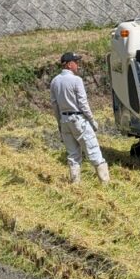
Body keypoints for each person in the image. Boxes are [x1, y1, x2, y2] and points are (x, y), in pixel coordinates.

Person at [50, 51, 109, 185]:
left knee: (73, 155)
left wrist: (59, 124)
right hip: (78, 120)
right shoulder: (76, 80)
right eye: (76, 62)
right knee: (93, 151)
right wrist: (92, 120)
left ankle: (75, 184)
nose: (78, 65)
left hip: (64, 121)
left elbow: (55, 105)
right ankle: (105, 183)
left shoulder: (55, 81)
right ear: (69, 65)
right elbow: (83, 104)